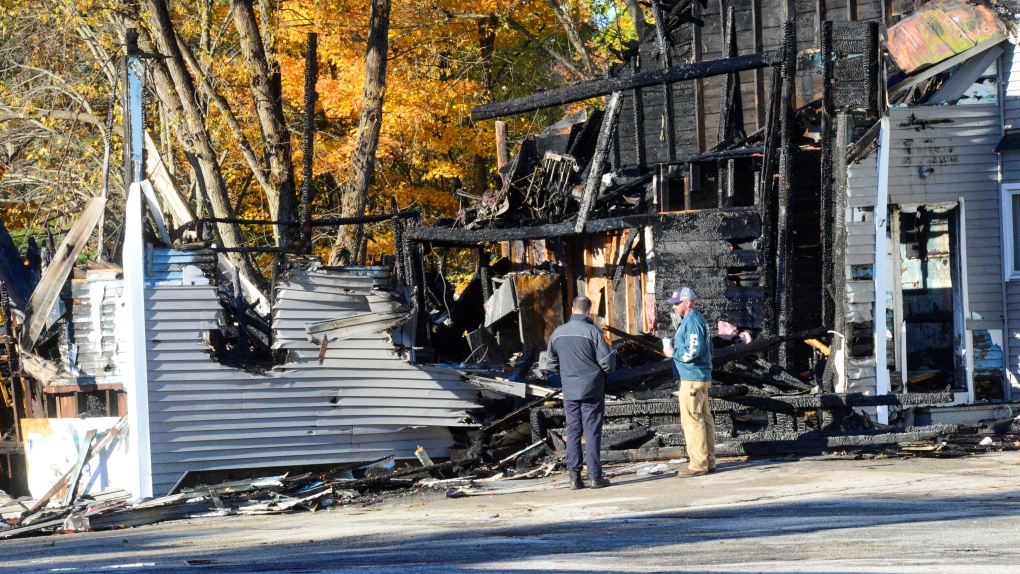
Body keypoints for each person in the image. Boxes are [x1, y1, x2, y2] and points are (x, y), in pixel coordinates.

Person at [545, 295, 616, 489]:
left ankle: (574, 478)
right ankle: (594, 477)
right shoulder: (594, 332)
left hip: (569, 390)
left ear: (572, 309)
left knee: (573, 431)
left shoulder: (557, 333)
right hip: (592, 389)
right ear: (589, 311)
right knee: (592, 431)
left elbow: (550, 363)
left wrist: (565, 374)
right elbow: (608, 363)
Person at [666, 287, 716, 477]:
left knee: (692, 421)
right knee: (705, 420)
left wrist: (674, 353)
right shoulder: (695, 320)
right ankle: (708, 461)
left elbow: (693, 351)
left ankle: (698, 465)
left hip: (691, 379)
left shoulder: (692, 322)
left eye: (677, 304)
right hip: (700, 377)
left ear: (688, 303)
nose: (674, 307)